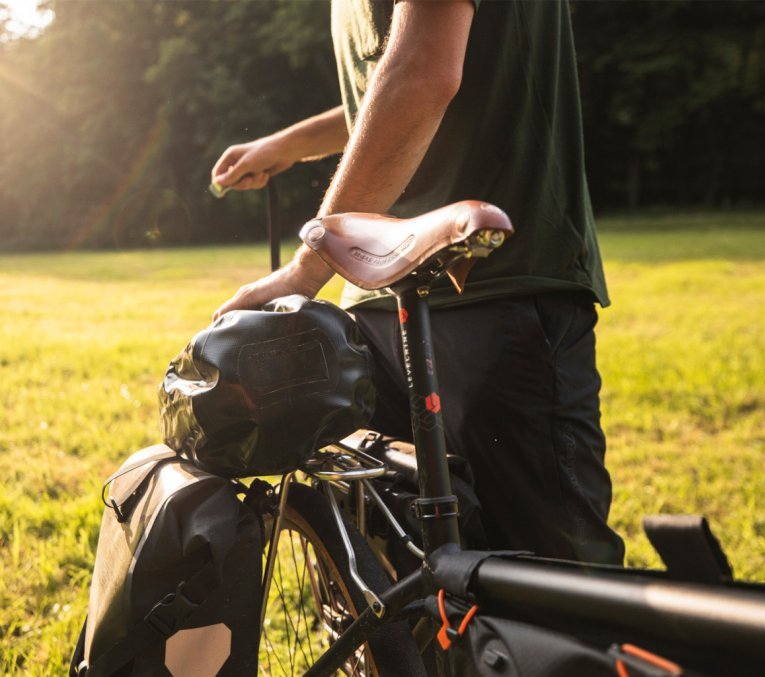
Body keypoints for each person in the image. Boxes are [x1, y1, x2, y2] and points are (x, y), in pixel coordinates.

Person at [210, 0, 624, 565]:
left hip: (491, 284)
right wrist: (289, 145)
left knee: (550, 586)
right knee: (413, 569)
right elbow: (390, 86)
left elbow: (424, 73)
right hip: (392, 303)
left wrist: (310, 265)